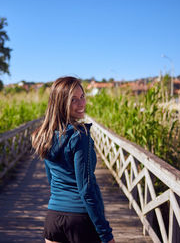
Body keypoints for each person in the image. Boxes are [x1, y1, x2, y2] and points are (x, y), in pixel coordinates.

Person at [32, 76, 115, 243]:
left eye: (82, 97)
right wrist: (106, 234)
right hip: (80, 220)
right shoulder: (79, 135)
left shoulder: (45, 135)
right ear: (61, 103)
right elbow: (86, 188)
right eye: (74, 100)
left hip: (53, 218)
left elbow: (51, 179)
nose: (81, 103)